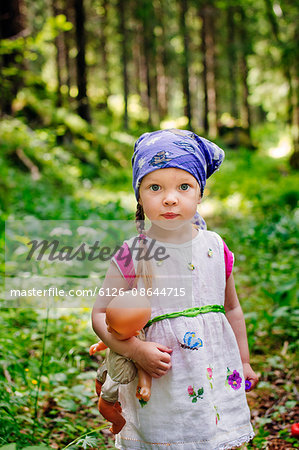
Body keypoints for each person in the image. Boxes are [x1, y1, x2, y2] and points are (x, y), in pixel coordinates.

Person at [91, 129, 259, 449]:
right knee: (162, 438)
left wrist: (245, 360)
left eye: (184, 186)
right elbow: (100, 314)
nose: (170, 198)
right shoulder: (134, 252)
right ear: (139, 196)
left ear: (200, 194)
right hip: (160, 377)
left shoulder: (215, 247)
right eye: (155, 187)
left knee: (212, 436)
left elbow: (232, 308)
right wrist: (134, 350)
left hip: (211, 370)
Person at [89, 291, 152, 434]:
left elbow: (142, 365)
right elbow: (110, 335)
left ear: (135, 333)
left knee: (103, 407)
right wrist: (100, 345)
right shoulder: (119, 328)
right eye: (107, 323)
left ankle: (118, 421)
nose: (109, 330)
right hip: (109, 364)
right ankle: (115, 405)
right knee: (98, 386)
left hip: (116, 376)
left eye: (115, 330)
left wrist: (145, 385)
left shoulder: (138, 344)